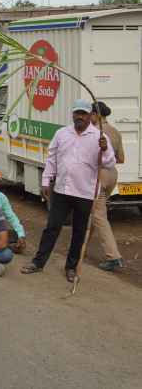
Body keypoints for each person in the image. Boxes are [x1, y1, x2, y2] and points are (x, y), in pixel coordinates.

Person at [22, 99, 116, 283]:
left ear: (90, 115)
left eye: (83, 113)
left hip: (85, 193)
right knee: (52, 227)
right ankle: (38, 262)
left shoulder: (99, 137)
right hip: (61, 190)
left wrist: (104, 149)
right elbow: (51, 159)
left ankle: (71, 268)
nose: (79, 116)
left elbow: (110, 163)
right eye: (77, 113)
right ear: (72, 114)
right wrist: (46, 181)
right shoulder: (61, 134)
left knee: (79, 232)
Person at [90, 101, 125, 271]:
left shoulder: (96, 132)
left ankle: (114, 257)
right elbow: (121, 159)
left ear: (95, 115)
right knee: (95, 213)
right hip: (113, 175)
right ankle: (80, 246)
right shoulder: (116, 131)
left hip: (100, 176)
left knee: (98, 215)